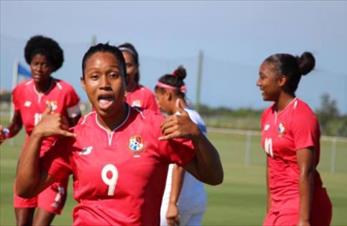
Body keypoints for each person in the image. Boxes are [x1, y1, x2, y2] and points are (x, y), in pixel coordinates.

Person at [15, 43, 223, 226]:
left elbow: (214, 177)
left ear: (125, 80)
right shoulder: (74, 138)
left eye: (113, 75)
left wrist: (197, 136)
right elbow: (25, 189)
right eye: (94, 77)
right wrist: (36, 136)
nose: (104, 83)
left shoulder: (154, 127)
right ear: (84, 83)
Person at [0, 35, 81, 226]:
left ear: (53, 66)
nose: (38, 68)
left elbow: (78, 127)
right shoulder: (20, 91)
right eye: (35, 63)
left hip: (54, 165)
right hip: (28, 161)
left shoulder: (66, 91)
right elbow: (17, 124)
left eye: (44, 64)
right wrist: (4, 133)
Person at [256, 52, 332, 226]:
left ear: (281, 80)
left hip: (300, 205)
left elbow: (307, 171)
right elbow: (271, 165)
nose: (258, 83)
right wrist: (270, 211)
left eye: (263, 77)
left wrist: (304, 220)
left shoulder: (302, 116)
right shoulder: (268, 115)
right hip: (278, 207)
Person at [155, 66, 207, 226]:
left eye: (158, 98)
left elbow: (180, 164)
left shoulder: (179, 120)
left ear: (168, 95)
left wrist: (172, 203)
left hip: (178, 200)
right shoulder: (197, 117)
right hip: (197, 199)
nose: (157, 103)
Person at [118, 42, 159, 112]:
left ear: (136, 67)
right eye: (120, 65)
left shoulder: (146, 96)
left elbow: (155, 121)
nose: (124, 70)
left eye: (128, 65)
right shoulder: (107, 95)